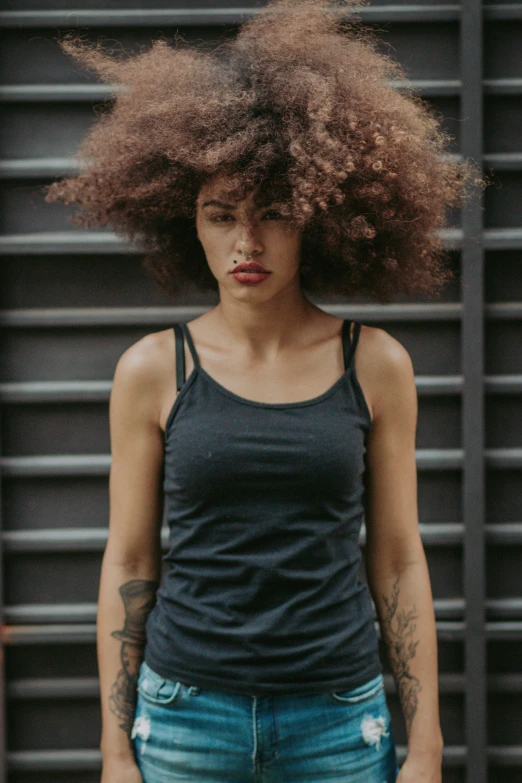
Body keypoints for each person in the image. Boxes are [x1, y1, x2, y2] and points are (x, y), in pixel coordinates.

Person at [45, 1, 480, 781]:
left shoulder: (374, 361)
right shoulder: (152, 368)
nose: (248, 242)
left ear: (322, 215)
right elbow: (130, 558)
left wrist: (428, 743)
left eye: (276, 212)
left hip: (341, 723)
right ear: (189, 223)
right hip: (184, 719)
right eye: (222, 214)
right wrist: (115, 751)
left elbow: (398, 558)